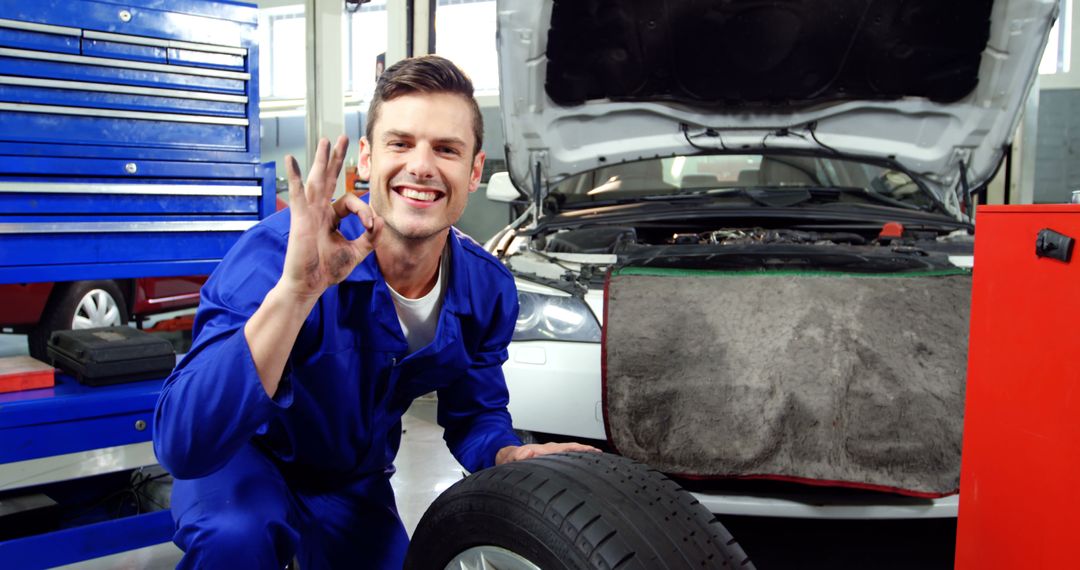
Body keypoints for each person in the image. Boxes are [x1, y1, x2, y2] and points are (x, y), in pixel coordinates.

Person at [153, 55, 597, 569]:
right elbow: (185, 445)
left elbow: (474, 412)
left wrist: (504, 454)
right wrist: (296, 293)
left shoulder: (485, 290)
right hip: (240, 461)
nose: (422, 166)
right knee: (238, 537)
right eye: (401, 143)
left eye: (446, 149)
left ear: (475, 170)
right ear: (365, 159)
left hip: (349, 478)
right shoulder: (273, 259)